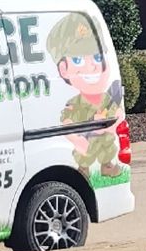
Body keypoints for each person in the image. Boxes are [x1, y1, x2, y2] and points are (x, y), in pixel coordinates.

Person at [46, 12, 124, 178]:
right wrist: (77, 140)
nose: (91, 67)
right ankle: (83, 169)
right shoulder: (74, 103)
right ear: (63, 69)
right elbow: (66, 122)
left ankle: (107, 165)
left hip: (103, 139)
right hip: (85, 139)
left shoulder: (107, 99)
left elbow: (118, 114)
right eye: (78, 60)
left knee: (108, 145)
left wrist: (110, 125)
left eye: (97, 57)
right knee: (83, 152)